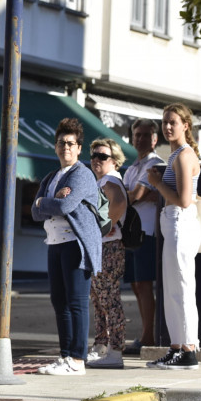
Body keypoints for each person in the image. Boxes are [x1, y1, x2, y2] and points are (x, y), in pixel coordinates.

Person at [31, 118, 102, 376]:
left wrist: (44, 202)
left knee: (76, 302)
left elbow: (65, 207)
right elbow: (34, 211)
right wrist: (46, 202)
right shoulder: (52, 177)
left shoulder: (83, 174)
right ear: (55, 146)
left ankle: (78, 360)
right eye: (61, 143)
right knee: (59, 301)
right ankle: (65, 356)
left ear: (79, 148)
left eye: (71, 143)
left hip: (76, 243)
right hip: (55, 243)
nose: (66, 148)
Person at [146, 103, 201, 370]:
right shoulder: (176, 155)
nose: (168, 127)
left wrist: (157, 184)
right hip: (173, 225)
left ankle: (189, 349)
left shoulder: (182, 156)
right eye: (165, 122)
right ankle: (177, 347)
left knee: (181, 288)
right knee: (171, 289)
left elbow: (182, 201)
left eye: (173, 122)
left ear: (185, 125)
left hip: (180, 223)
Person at [122, 118, 164, 355]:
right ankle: (146, 334)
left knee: (145, 285)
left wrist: (136, 195)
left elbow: (131, 196)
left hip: (147, 232)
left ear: (155, 139)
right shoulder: (132, 168)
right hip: (132, 232)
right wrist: (135, 195)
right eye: (137, 134)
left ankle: (149, 337)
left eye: (146, 135)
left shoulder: (154, 164)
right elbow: (125, 195)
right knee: (137, 286)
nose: (141, 139)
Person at [85, 139, 128, 369]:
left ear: (114, 161)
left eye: (102, 156)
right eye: (94, 155)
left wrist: (108, 223)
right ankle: (102, 346)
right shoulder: (103, 180)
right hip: (104, 246)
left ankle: (115, 350)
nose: (96, 160)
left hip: (109, 247)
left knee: (108, 300)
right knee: (100, 299)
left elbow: (119, 201)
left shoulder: (110, 180)